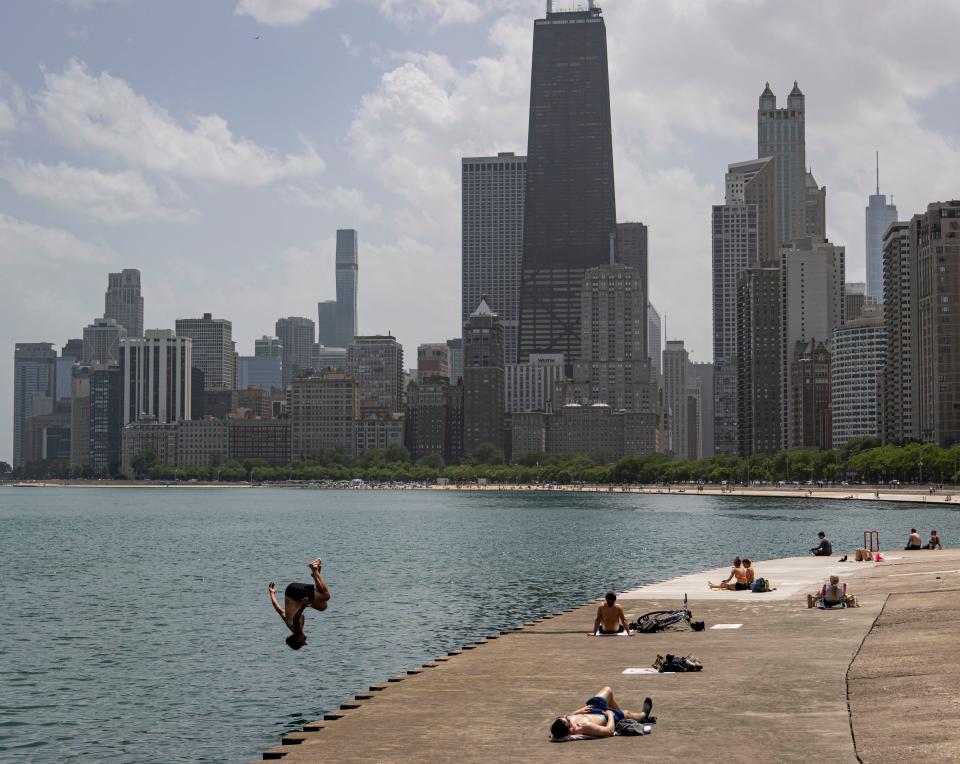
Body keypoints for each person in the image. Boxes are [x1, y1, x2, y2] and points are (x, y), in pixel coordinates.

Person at [268, 557, 331, 650]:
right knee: (323, 606)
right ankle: (315, 577)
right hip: (293, 594)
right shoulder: (289, 625)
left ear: (297, 639)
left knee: (326, 596)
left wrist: (302, 606)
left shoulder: (297, 630)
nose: (305, 643)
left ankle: (314, 570)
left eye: (302, 644)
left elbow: (296, 618)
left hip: (294, 593)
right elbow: (278, 609)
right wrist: (272, 593)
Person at [550, 688, 654, 740]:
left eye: (564, 717)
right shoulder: (584, 727)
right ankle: (643, 715)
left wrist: (577, 712)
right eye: (567, 720)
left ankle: (621, 714)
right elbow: (609, 731)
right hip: (604, 715)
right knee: (627, 713)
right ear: (571, 730)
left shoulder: (567, 722)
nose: (566, 717)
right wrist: (610, 715)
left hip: (593, 708)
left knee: (607, 690)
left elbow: (569, 718)